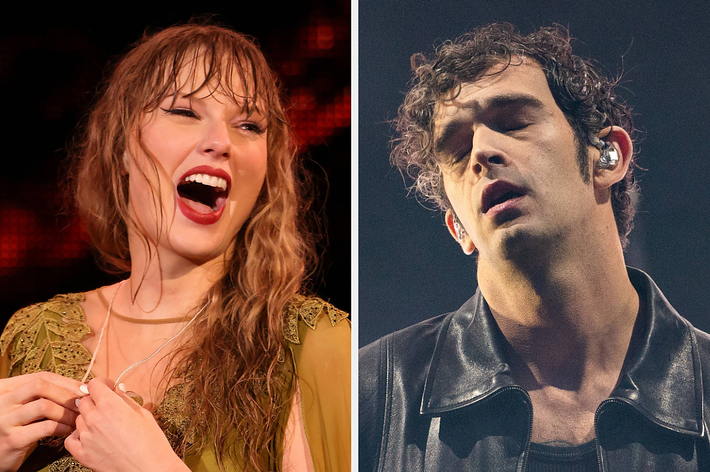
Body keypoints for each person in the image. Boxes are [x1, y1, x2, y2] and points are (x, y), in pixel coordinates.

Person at [359, 23, 710, 471]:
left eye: (512, 123)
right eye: (458, 148)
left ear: (608, 157)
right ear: (457, 227)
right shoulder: (372, 396)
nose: (482, 152)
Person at [0, 23, 350, 472]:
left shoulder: (307, 344)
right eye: (185, 112)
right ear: (121, 146)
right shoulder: (28, 338)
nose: (222, 142)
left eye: (249, 125)